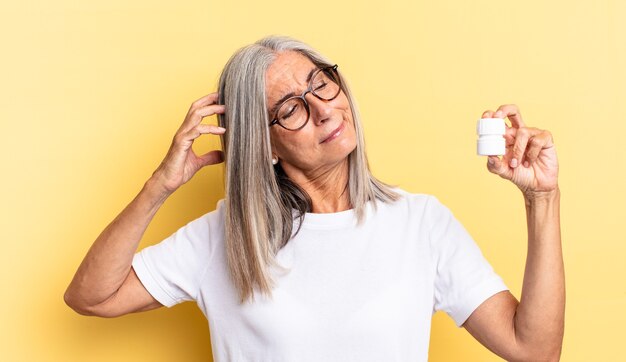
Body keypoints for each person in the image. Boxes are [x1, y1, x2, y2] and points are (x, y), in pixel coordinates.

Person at [64, 35, 564, 361]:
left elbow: (535, 349)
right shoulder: (226, 236)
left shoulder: (421, 223)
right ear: (266, 146)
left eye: (320, 84)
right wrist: (160, 186)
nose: (324, 111)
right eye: (290, 109)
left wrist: (542, 200)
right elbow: (91, 296)